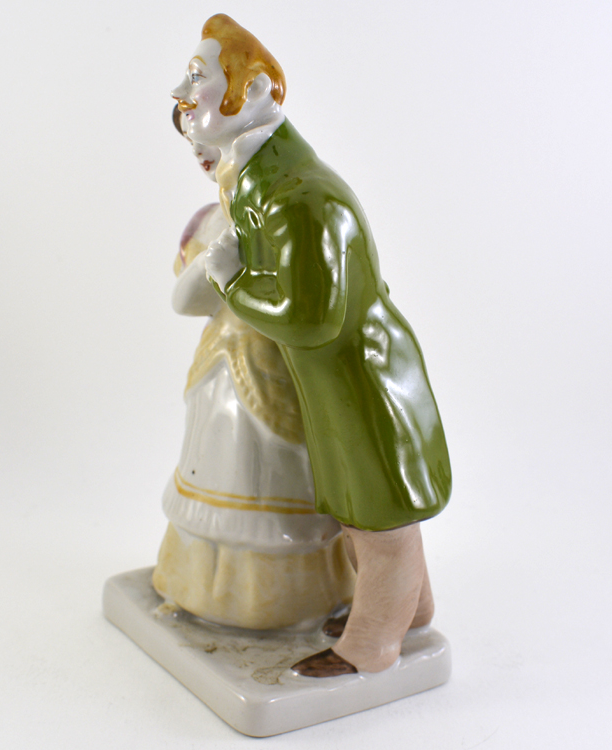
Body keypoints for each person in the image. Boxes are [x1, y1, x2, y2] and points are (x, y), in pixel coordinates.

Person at [171, 14, 452, 675]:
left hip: (361, 378)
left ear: (255, 91)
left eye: (197, 76)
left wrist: (230, 280)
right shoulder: (261, 184)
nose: (181, 92)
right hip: (336, 379)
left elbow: (309, 317)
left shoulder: (296, 197)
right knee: (366, 515)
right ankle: (410, 613)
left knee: (377, 525)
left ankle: (371, 646)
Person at [151, 107, 354, 631]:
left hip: (281, 365)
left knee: (277, 467)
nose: (202, 153)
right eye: (194, 144)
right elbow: (184, 302)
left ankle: (294, 600)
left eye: (212, 141)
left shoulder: (289, 211)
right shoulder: (210, 221)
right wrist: (214, 261)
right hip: (220, 364)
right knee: (218, 461)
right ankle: (199, 589)